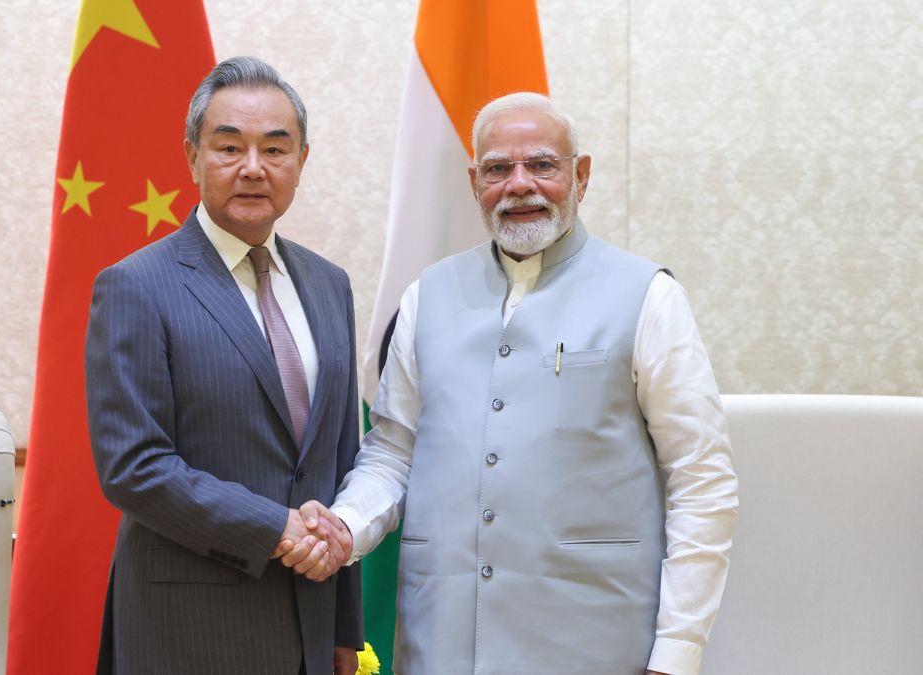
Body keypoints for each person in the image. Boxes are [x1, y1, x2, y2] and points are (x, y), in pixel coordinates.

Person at [322, 93, 739, 675]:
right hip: (441, 641)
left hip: (595, 643)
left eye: (542, 164)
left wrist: (679, 650)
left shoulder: (648, 295)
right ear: (474, 182)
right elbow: (392, 454)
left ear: (581, 174)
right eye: (497, 169)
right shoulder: (427, 296)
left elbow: (702, 479)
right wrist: (342, 527)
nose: (520, 185)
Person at [85, 56, 362, 675]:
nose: (253, 168)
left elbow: (340, 460)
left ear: (302, 162)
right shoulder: (136, 286)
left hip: (312, 631)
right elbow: (133, 467)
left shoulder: (329, 284)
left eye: (275, 149)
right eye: (229, 147)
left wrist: (345, 629)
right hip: (188, 632)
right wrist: (276, 528)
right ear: (192, 157)